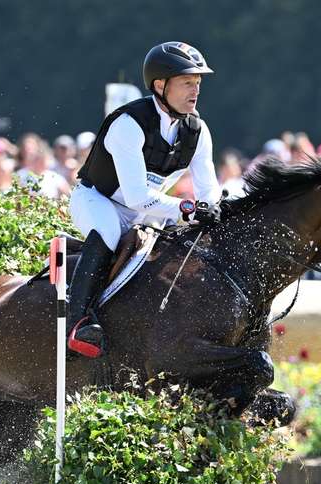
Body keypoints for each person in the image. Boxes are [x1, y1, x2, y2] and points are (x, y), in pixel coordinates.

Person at [66, 41, 221, 358]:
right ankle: (78, 322)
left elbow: (209, 189)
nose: (195, 91)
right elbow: (137, 196)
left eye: (198, 84)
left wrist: (212, 211)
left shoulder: (197, 130)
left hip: (149, 212)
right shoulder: (128, 123)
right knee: (109, 232)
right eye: (187, 83)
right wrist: (186, 209)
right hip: (99, 200)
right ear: (160, 85)